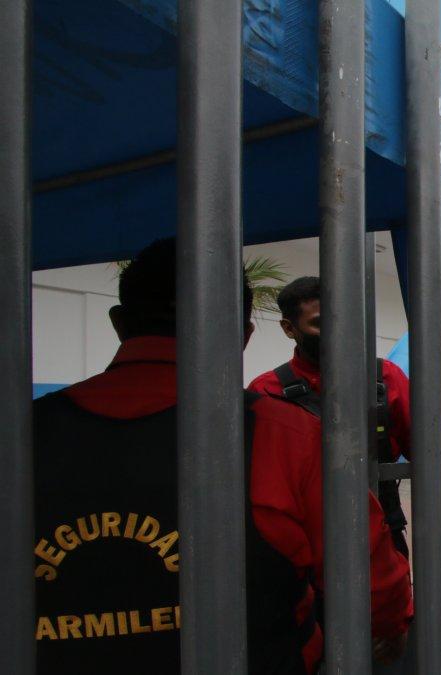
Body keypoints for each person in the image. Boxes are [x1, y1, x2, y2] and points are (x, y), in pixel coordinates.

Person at [32, 240, 412, 673]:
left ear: (120, 323)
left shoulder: (20, 437)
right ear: (248, 332)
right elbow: (364, 570)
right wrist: (389, 623)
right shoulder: (281, 429)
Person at [248, 276, 413, 554]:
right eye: (320, 323)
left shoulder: (385, 379)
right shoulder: (266, 391)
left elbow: (429, 455)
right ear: (289, 328)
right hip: (299, 543)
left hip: (382, 536)